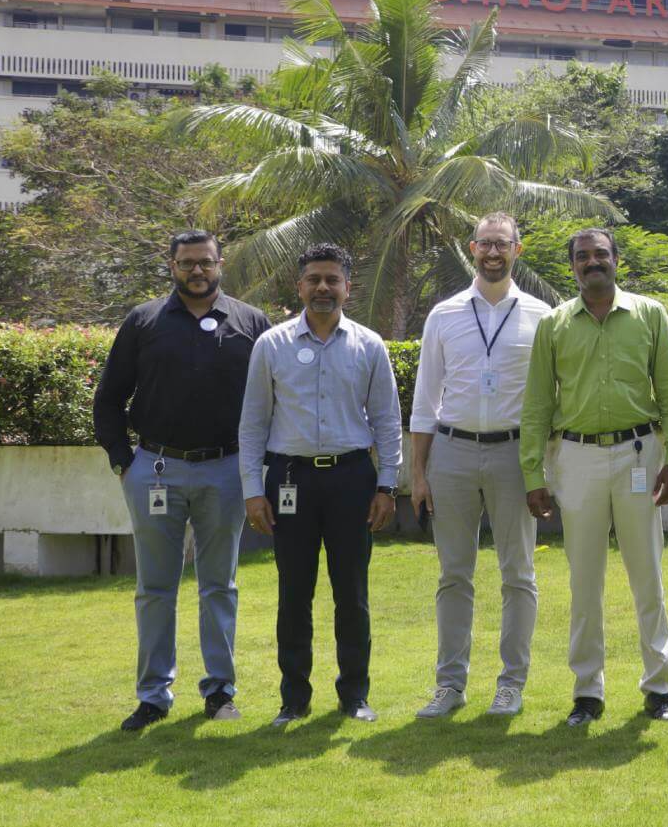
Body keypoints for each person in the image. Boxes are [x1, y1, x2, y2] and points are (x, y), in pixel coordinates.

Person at [93, 230, 271, 730]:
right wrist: (123, 462)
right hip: (154, 470)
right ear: (171, 265)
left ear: (220, 264)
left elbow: (272, 401)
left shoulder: (251, 322)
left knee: (220, 585)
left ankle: (220, 692)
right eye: (187, 263)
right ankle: (153, 696)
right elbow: (109, 398)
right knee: (155, 587)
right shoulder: (144, 321)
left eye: (206, 263)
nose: (197, 271)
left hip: (227, 469)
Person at [519, 227, 668, 727]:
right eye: (582, 257)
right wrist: (534, 472)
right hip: (577, 458)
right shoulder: (554, 325)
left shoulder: (649, 314)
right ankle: (587, 692)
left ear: (617, 260)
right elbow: (537, 406)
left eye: (600, 254)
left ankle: (659, 688)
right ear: (571, 266)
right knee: (584, 578)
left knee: (648, 575)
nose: (592, 262)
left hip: (640, 454)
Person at [239, 243, 401, 727]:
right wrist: (252, 490)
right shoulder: (271, 345)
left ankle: (354, 696)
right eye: (314, 279)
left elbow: (388, 423)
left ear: (348, 287)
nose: (323, 288)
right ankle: (294, 699)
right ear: (300, 286)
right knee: (294, 593)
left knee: (351, 593)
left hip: (353, 478)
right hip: (290, 480)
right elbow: (252, 424)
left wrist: (387, 485)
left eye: (333, 280)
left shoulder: (369, 345)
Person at [408, 213, 552, 719]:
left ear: (518, 249)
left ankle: (511, 684)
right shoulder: (444, 315)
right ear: (472, 249)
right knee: (454, 575)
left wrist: (542, 468)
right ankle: (450, 686)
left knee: (518, 574)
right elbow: (425, 402)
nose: (493, 253)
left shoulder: (541, 314)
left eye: (502, 244)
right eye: (485, 244)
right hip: (452, 453)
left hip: (515, 455)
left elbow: (549, 399)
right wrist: (418, 473)